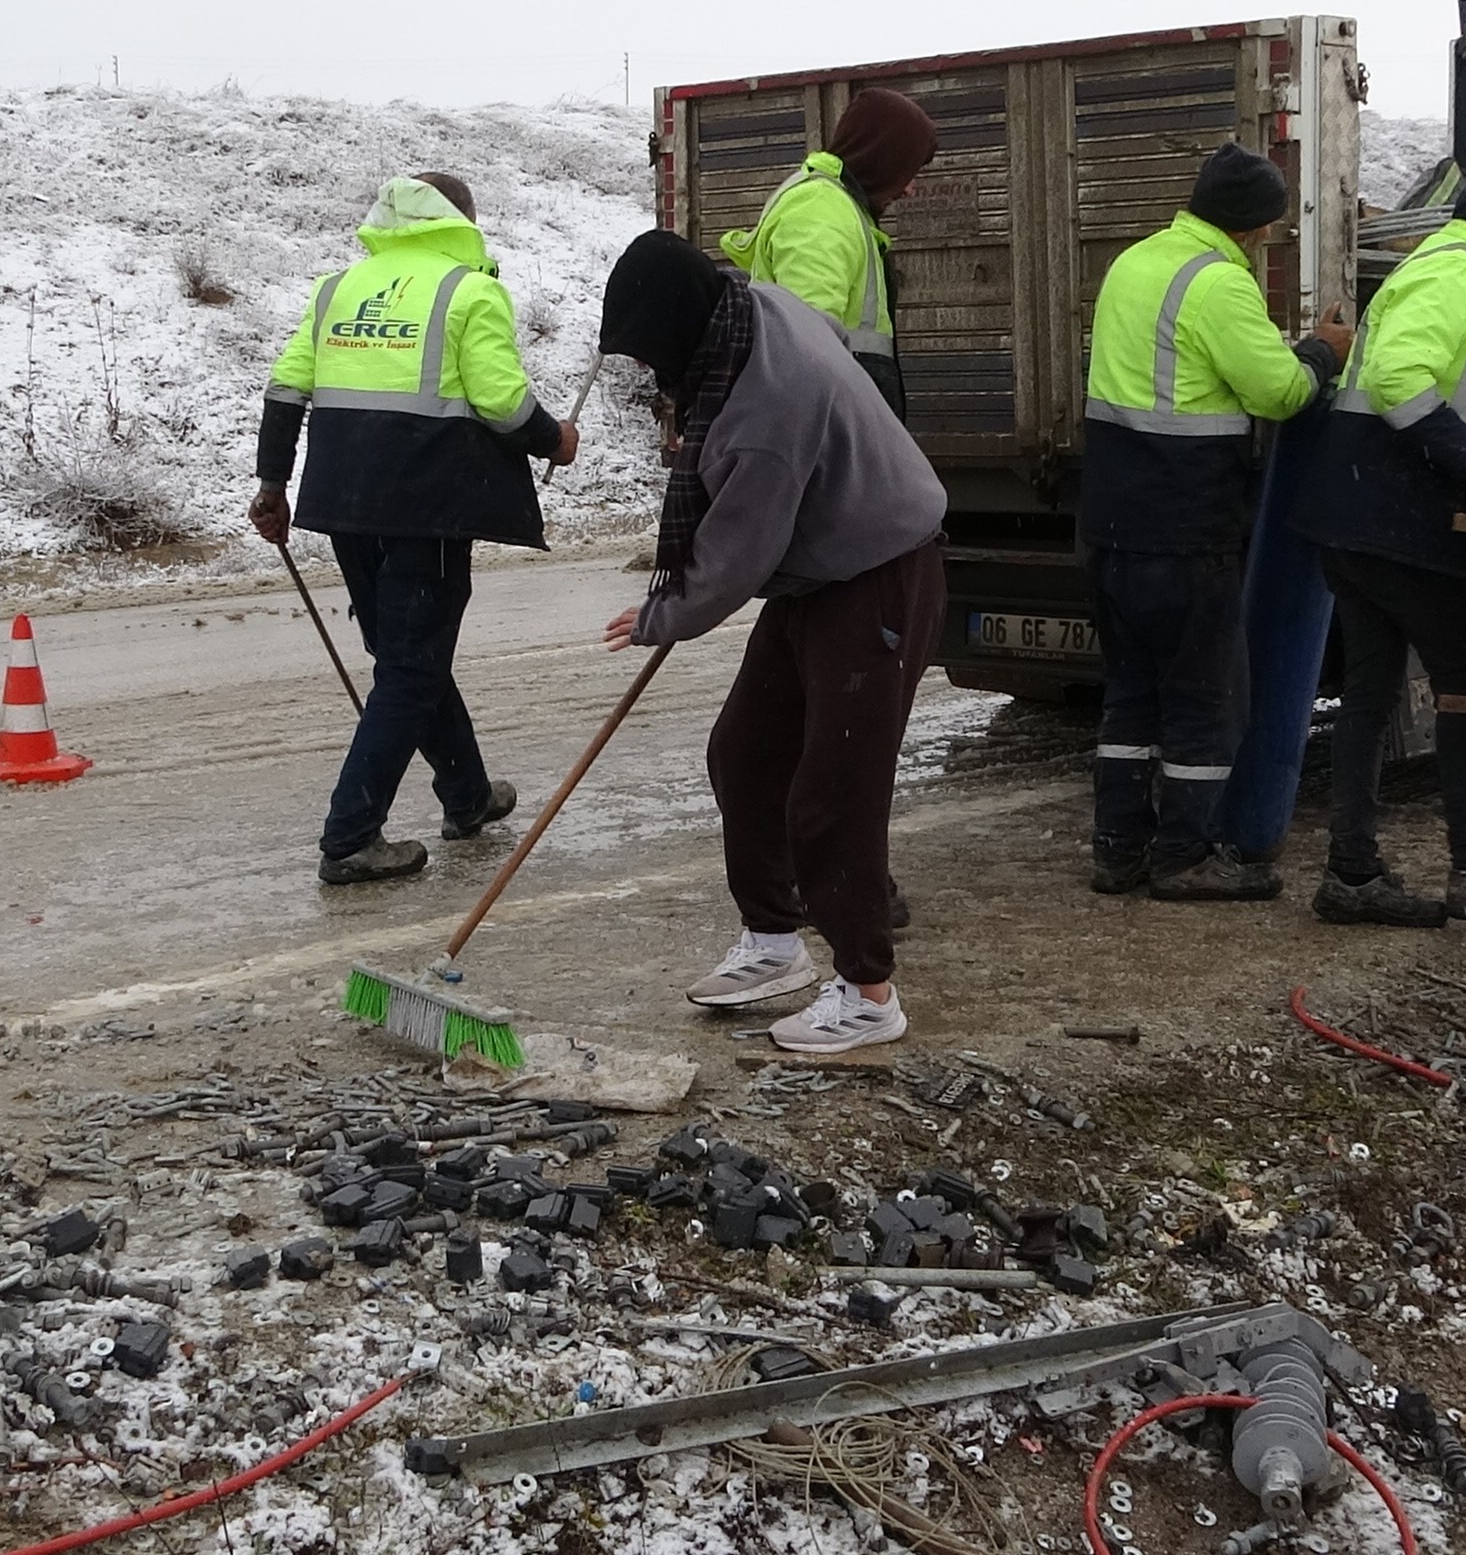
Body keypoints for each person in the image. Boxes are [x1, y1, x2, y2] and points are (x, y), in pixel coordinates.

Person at [596, 231, 947, 1054]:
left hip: (879, 572)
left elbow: (734, 557)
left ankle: (868, 992)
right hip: (816, 571)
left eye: (651, 358)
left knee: (834, 792)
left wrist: (662, 612)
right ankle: (774, 942)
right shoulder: (754, 307)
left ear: (682, 333)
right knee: (745, 754)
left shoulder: (764, 414)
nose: (650, 375)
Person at [252, 173, 577, 885]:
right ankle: (349, 838)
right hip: (425, 505)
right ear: (459, 220)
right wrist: (556, 439)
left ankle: (467, 796)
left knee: (408, 657)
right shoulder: (470, 289)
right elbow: (500, 401)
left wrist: (271, 481)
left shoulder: (339, 288)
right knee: (410, 667)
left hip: (345, 500)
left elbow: (285, 385)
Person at [1285, 164, 1466, 926]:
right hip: (1400, 519)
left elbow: (1459, 389)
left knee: (1369, 695)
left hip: (1352, 511)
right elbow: (1406, 376)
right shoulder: (1465, 271)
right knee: (1463, 688)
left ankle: (1352, 873)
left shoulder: (1443, 262)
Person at [1078, 145, 1349, 900]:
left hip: (1107, 521)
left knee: (1130, 694)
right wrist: (1322, 354)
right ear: (1257, 227)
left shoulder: (1133, 263)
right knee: (1202, 697)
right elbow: (1280, 393)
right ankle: (1185, 857)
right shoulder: (1219, 283)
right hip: (1184, 524)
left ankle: (1118, 851)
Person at [723, 87, 937, 420]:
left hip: (843, 427)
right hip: (832, 434)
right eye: (907, 171)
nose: (910, 188)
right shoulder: (822, 211)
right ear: (881, 156)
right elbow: (807, 352)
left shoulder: (844, 210)